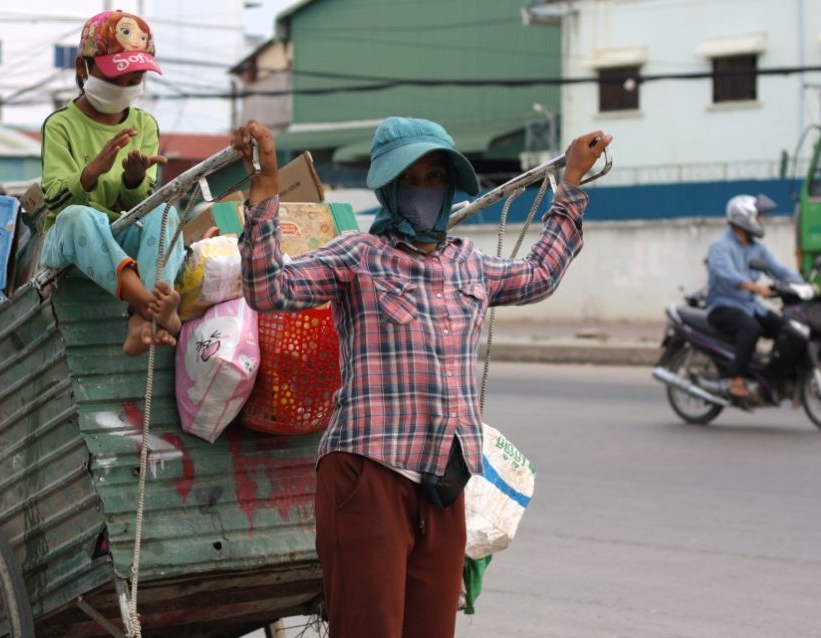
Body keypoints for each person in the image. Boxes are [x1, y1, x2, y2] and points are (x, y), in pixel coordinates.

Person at [234, 117, 611, 637]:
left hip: (444, 480)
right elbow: (268, 288)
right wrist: (265, 190)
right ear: (389, 188)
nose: (426, 190)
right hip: (368, 475)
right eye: (413, 178)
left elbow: (539, 275)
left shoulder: (469, 264)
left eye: (437, 178)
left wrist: (570, 185)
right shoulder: (359, 256)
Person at [39, 10, 183, 356]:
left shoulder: (145, 125)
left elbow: (139, 206)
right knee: (79, 216)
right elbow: (57, 202)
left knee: (163, 213)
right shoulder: (60, 125)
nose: (123, 88)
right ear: (82, 68)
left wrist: (133, 180)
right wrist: (92, 172)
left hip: (118, 232)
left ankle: (139, 324)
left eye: (132, 80)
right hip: (69, 239)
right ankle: (151, 307)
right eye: (114, 77)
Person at [705, 194, 804, 398]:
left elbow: (779, 269)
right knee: (751, 328)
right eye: (758, 217)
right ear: (745, 218)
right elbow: (727, 276)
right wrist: (757, 288)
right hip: (723, 306)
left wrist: (804, 284)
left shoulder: (756, 248)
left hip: (749, 305)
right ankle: (736, 379)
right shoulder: (721, 246)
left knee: (786, 328)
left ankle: (771, 374)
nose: (761, 221)